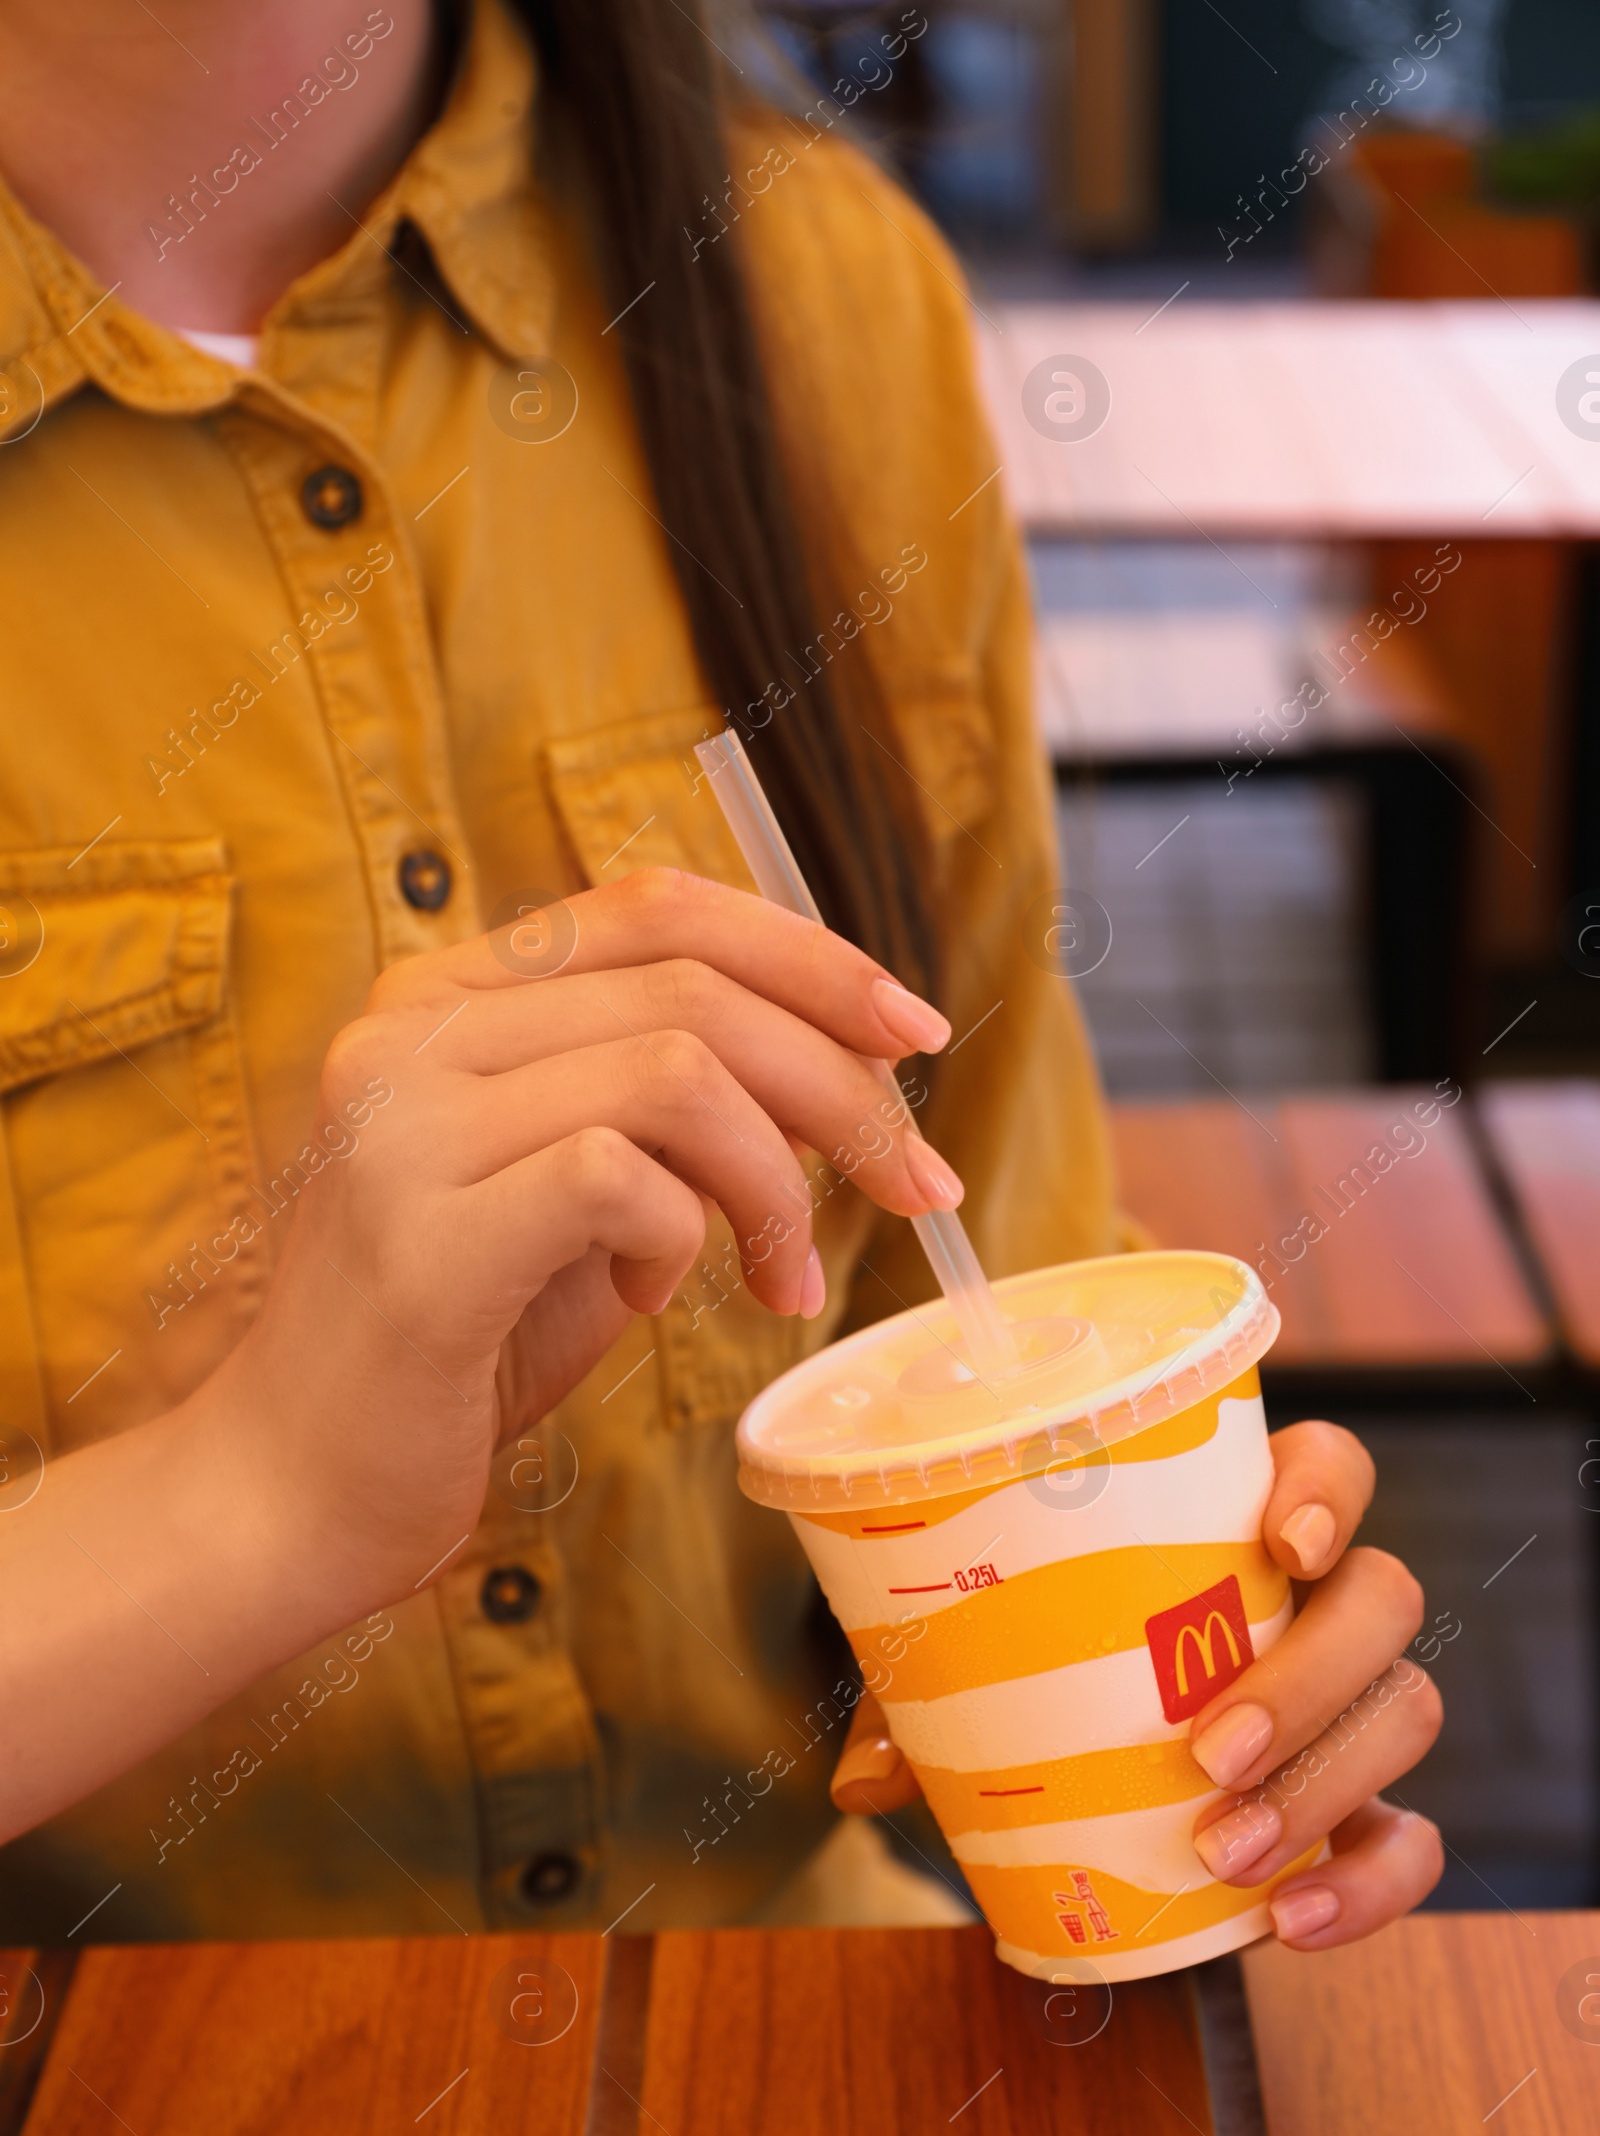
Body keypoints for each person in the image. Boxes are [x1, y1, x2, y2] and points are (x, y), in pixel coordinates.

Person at [0, 0, 1443, 1949]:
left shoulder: (814, 293)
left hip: (813, 2030)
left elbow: (995, 1284)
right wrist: (263, 1497)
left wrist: (1178, 1650)